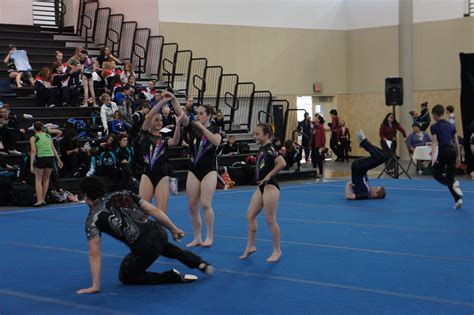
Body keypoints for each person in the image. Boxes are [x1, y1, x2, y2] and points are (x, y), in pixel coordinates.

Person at [77, 177, 214, 294]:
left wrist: (95, 285)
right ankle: (199, 263)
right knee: (162, 246)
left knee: (125, 275)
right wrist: (173, 229)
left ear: (85, 196)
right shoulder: (123, 193)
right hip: (159, 232)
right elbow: (153, 211)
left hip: (145, 248)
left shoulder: (92, 219)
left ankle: (171, 277)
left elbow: (94, 253)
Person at [240, 123, 286, 262]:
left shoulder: (270, 148)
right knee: (250, 216)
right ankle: (251, 246)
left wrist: (269, 176)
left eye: (257, 134)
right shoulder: (262, 148)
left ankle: (277, 250)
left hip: (270, 186)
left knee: (270, 219)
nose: (254, 136)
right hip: (261, 187)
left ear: (266, 135)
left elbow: (282, 163)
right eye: (254, 134)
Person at [182, 104, 222, 248]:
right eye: (196, 113)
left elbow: (216, 142)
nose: (197, 115)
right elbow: (181, 115)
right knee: (192, 206)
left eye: (201, 113)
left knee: (205, 204)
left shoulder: (215, 129)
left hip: (209, 170)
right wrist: (173, 99)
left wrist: (202, 127)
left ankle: (209, 236)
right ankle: (197, 237)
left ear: (209, 116)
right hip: (193, 169)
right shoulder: (191, 127)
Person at [138, 94, 184, 213]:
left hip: (162, 176)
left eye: (161, 120)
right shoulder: (144, 136)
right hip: (147, 175)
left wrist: (178, 125)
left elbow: (175, 141)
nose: (159, 122)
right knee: (143, 210)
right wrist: (162, 102)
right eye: (157, 120)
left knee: (162, 212)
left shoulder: (164, 139)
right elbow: (149, 117)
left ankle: (160, 231)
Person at [430, 104, 463, 209]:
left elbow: (434, 143)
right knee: (449, 177)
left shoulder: (434, 126)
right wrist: (458, 157)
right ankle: (458, 199)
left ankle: (453, 183)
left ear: (435, 115)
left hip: (444, 151)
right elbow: (456, 142)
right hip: (453, 151)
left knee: (436, 174)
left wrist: (433, 158)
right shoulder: (451, 125)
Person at [345, 130, 388, 200]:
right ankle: (363, 143)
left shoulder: (365, 195)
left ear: (376, 194)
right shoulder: (368, 190)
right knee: (384, 157)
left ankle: (363, 142)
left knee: (381, 158)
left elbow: (349, 196)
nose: (374, 187)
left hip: (358, 168)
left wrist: (347, 186)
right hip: (361, 169)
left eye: (376, 188)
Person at [30, 121, 63, 206]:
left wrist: (31, 165)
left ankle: (39, 200)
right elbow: (53, 149)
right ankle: (43, 199)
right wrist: (59, 160)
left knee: (38, 180)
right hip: (50, 158)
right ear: (42, 128)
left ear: (34, 129)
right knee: (46, 179)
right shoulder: (48, 135)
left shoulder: (33, 137)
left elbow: (33, 151)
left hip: (41, 158)